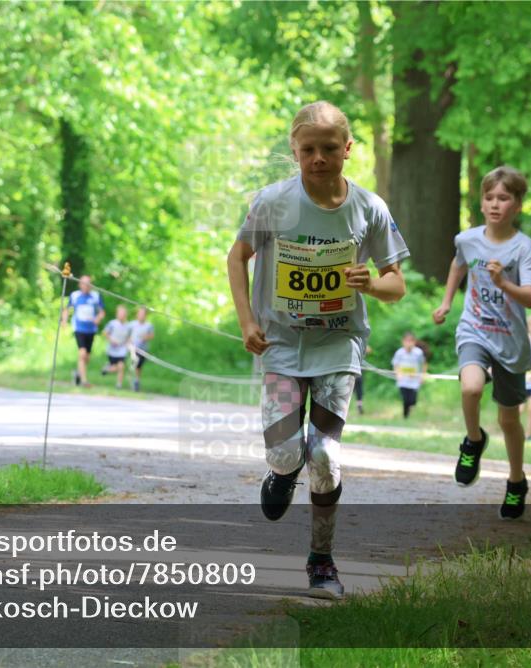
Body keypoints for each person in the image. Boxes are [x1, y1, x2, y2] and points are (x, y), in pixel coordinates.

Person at [227, 101, 408, 599]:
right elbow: (237, 258)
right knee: (287, 451)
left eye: (329, 148)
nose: (319, 158)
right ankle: (283, 472)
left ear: (348, 149)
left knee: (325, 456)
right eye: (308, 150)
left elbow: (396, 284)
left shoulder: (369, 208)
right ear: (294, 150)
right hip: (282, 344)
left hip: (338, 345)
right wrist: (247, 320)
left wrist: (371, 284)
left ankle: (321, 561)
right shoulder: (272, 203)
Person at [432, 166, 531, 520]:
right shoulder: (467, 240)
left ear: (517, 205)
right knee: (471, 388)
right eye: (489, 197)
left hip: (510, 341)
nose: (495, 204)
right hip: (474, 329)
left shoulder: (524, 248)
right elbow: (458, 265)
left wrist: (503, 282)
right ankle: (473, 441)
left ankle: (516, 481)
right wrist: (447, 302)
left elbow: (530, 298)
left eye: (504, 198)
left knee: (509, 420)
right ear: (481, 203)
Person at [61, 274, 105, 389]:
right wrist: (64, 321)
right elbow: (67, 309)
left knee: (87, 357)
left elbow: (102, 312)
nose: (86, 286)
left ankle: (78, 373)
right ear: (80, 284)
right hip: (79, 328)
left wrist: (98, 318)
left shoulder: (96, 296)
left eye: (88, 284)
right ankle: (84, 381)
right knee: (82, 353)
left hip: (91, 330)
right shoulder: (75, 295)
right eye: (84, 283)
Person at [391, 332, 426, 419]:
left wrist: (422, 376)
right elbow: (396, 364)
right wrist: (398, 374)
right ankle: (405, 416)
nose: (408, 343)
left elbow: (423, 364)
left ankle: (410, 410)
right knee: (405, 399)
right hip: (403, 381)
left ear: (414, 342)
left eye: (410, 341)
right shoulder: (399, 353)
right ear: (403, 342)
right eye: (406, 341)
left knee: (412, 400)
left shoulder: (418, 352)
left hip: (414, 381)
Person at [101, 304, 131, 390]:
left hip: (122, 350)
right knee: (115, 367)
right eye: (120, 313)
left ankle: (119, 384)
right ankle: (107, 369)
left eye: (123, 313)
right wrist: (111, 340)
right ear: (117, 314)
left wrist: (128, 343)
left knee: (121, 366)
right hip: (112, 350)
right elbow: (105, 332)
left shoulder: (128, 325)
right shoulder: (112, 323)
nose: (121, 315)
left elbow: (128, 337)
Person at [129, 305, 155, 392]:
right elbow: (127, 334)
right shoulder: (132, 324)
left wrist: (145, 337)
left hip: (143, 349)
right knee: (134, 364)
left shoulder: (149, 325)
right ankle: (133, 381)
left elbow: (152, 336)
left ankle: (136, 381)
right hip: (133, 349)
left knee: (138, 366)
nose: (141, 315)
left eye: (143, 314)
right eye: (140, 313)